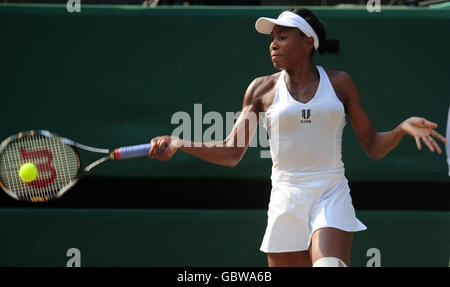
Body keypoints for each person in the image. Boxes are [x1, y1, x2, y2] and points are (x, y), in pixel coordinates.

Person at [147, 8, 447, 267]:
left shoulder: (340, 83)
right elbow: (231, 152)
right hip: (285, 196)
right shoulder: (260, 89)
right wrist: (179, 143)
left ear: (307, 42)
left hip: (330, 191)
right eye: (272, 39)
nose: (273, 45)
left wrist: (400, 129)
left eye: (282, 37)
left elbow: (373, 146)